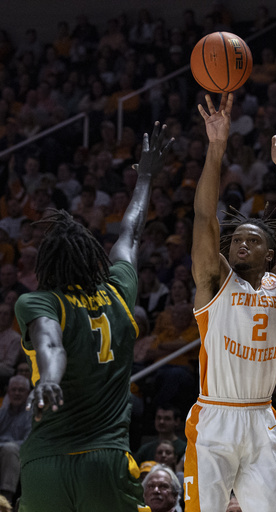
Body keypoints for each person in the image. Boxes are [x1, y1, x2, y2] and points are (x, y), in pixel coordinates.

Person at [14, 122, 173, 512]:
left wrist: (50, 380)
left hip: (44, 464)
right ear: (92, 258)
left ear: (48, 266)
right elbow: (131, 233)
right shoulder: (119, 291)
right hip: (105, 462)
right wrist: (146, 178)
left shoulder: (40, 302)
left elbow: (50, 342)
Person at [184, 92, 276, 512]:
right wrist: (216, 148)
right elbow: (205, 218)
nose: (242, 243)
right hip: (215, 418)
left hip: (261, 419)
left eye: (253, 239)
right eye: (237, 238)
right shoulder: (213, 280)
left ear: (269, 255)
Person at [0, 375, 32, 505]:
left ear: (28, 393)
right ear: (8, 392)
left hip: (20, 454)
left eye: (21, 390)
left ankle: (5, 501)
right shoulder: (2, 412)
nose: (17, 393)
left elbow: (28, 442)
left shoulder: (32, 414)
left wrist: (4, 445)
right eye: (14, 390)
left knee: (10, 449)